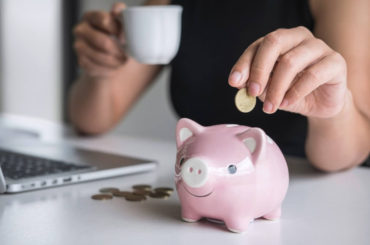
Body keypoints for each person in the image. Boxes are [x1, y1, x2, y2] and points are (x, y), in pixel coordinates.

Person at [69, 0, 370, 172]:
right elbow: (93, 119)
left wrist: (333, 109)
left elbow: (351, 151)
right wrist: (100, 67)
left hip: (304, 193)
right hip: (205, 184)